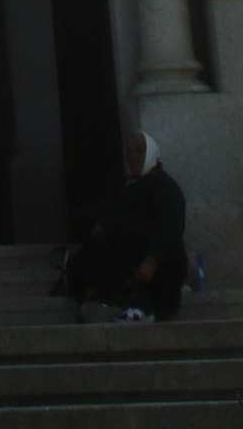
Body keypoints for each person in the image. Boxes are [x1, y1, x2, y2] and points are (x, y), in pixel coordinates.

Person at [59, 132, 189, 321]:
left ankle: (138, 305)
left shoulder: (165, 187)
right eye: (129, 153)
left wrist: (152, 261)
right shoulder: (131, 190)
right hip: (131, 265)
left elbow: (170, 226)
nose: (133, 157)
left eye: (139, 151)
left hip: (158, 267)